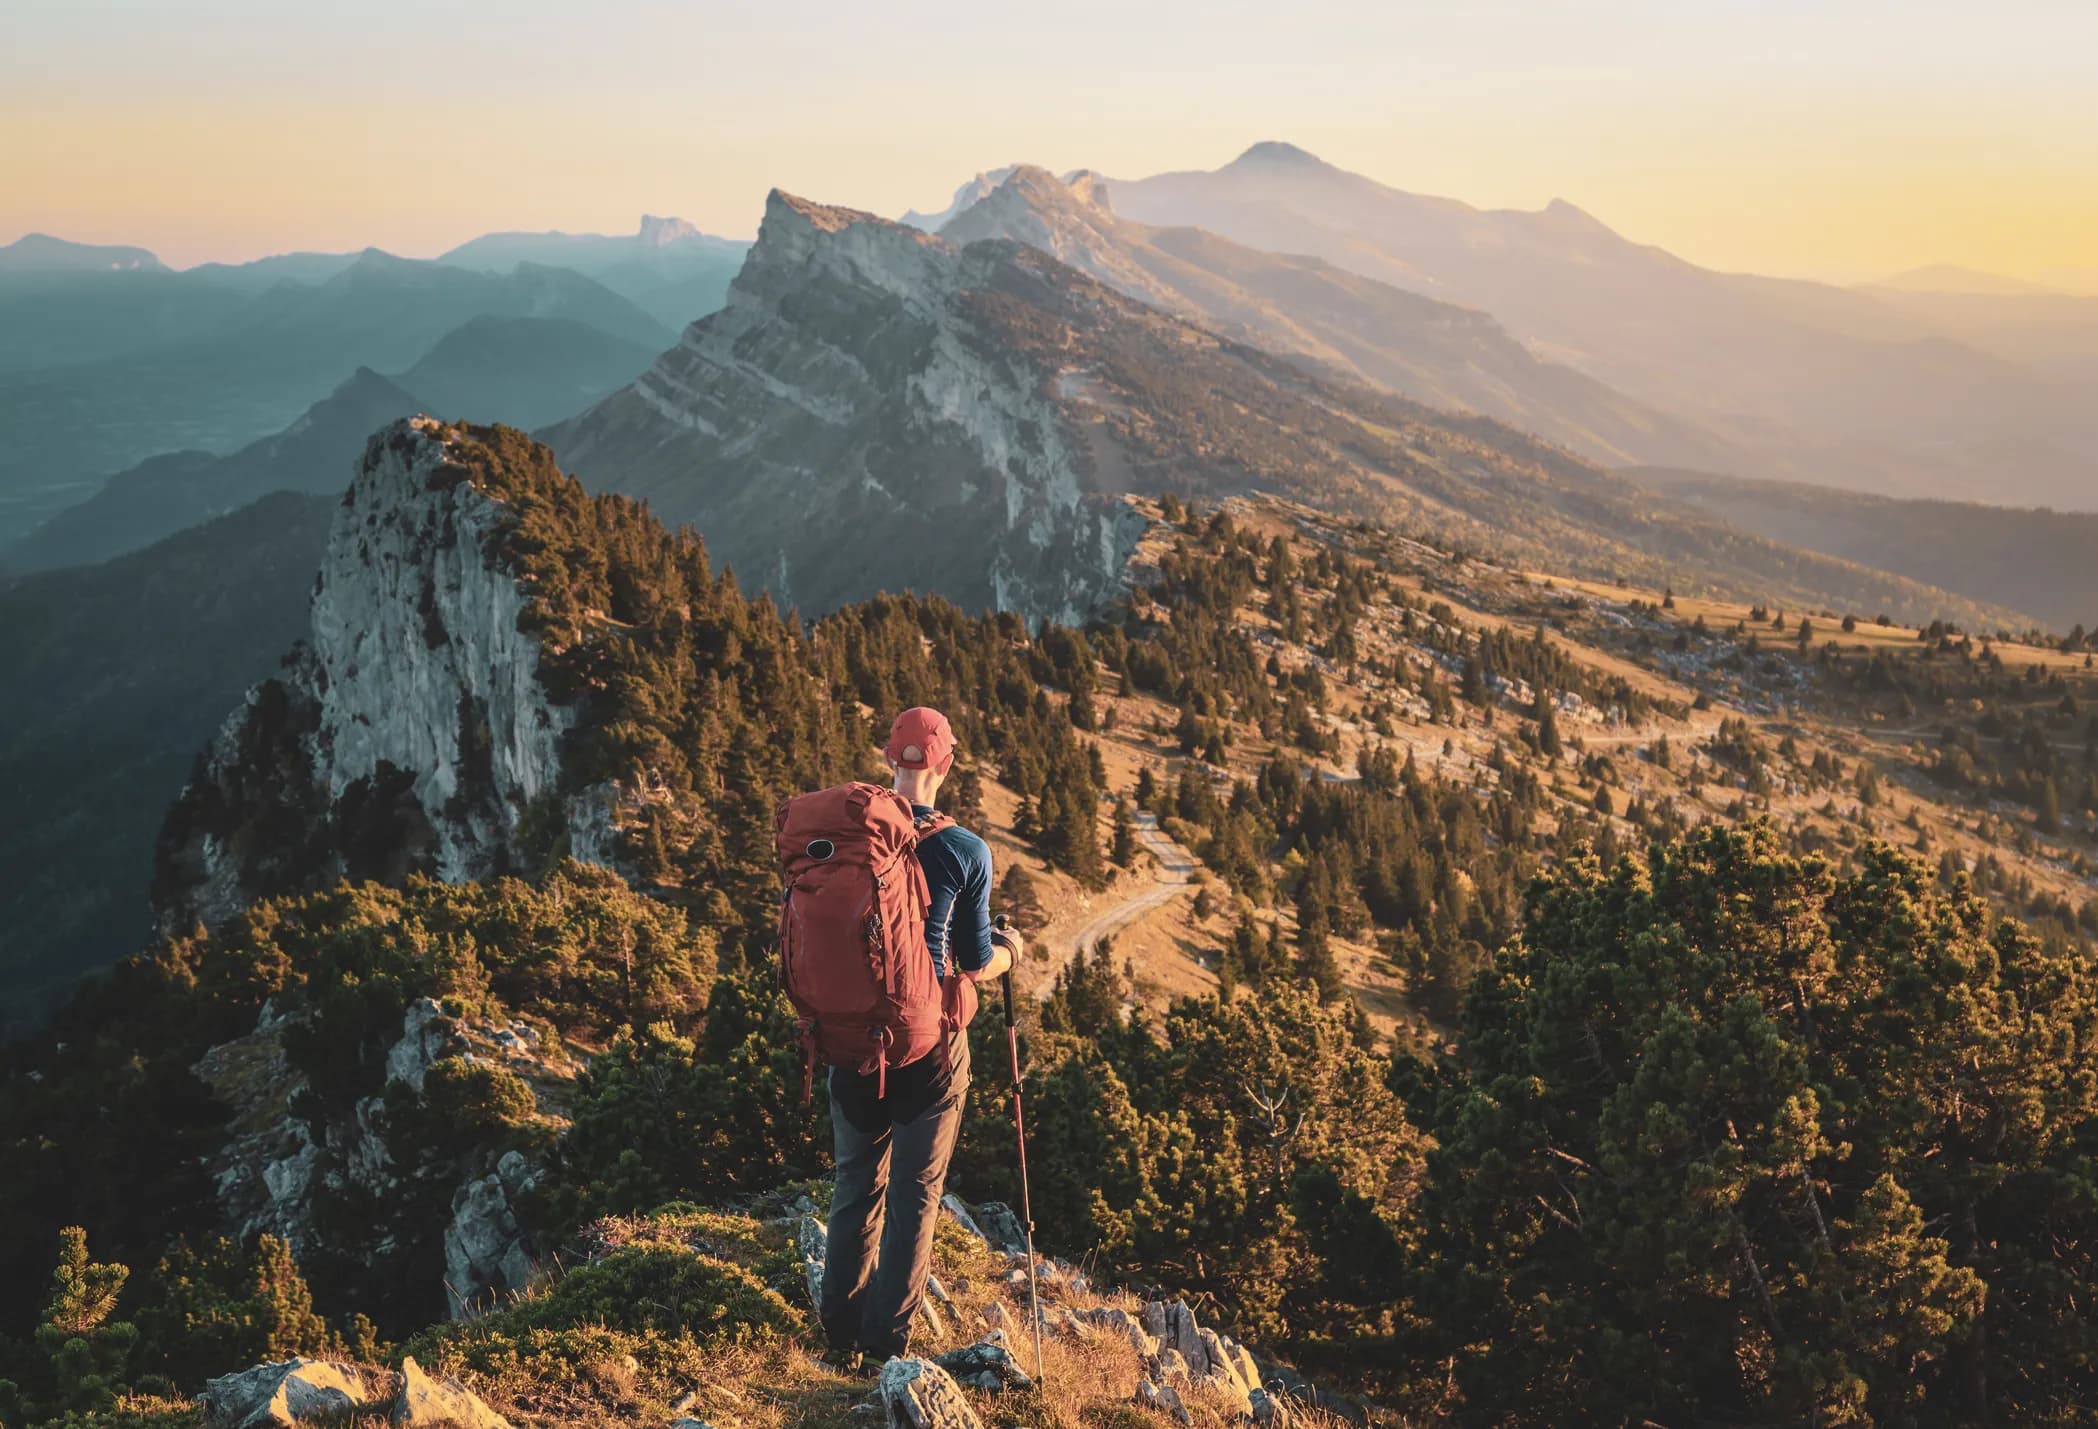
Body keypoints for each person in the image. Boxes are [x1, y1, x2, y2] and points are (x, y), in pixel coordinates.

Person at [819, 705, 1021, 1369]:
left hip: (852, 1041)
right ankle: (882, 1352)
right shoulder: (966, 850)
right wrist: (1010, 953)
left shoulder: (850, 837)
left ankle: (837, 1332)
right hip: (927, 1049)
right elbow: (972, 959)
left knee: (855, 1188)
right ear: (946, 763)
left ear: (888, 759)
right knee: (914, 1196)